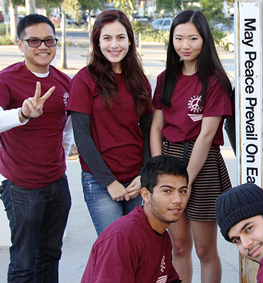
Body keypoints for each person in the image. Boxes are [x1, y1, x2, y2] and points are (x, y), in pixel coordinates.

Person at [150, 10, 233, 283]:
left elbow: (207, 135)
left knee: (205, 250)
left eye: (193, 38)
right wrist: (158, 174)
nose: (185, 45)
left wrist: (184, 183)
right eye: (179, 38)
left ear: (205, 39)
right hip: (169, 159)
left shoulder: (215, 81)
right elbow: (156, 129)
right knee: (179, 246)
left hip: (203, 164)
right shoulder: (165, 79)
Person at [0, 14, 72, 282]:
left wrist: (60, 162)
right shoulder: (7, 79)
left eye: (49, 40)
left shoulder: (65, 81)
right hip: (21, 186)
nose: (43, 46)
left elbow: (66, 130)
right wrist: (23, 113)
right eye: (34, 41)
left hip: (56, 183)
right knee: (23, 262)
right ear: (20, 44)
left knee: (50, 256)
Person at [67, 10, 153, 235]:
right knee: (113, 251)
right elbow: (82, 137)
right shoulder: (84, 81)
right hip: (100, 182)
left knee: (137, 247)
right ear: (97, 41)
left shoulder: (139, 80)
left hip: (137, 179)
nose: (114, 45)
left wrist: (144, 174)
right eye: (107, 38)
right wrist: (109, 182)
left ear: (130, 40)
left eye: (120, 37)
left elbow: (147, 131)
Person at [81, 155, 187, 283]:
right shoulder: (122, 238)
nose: (178, 200)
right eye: (167, 191)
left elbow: (170, 280)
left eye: (182, 191)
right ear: (146, 195)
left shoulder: (161, 234)